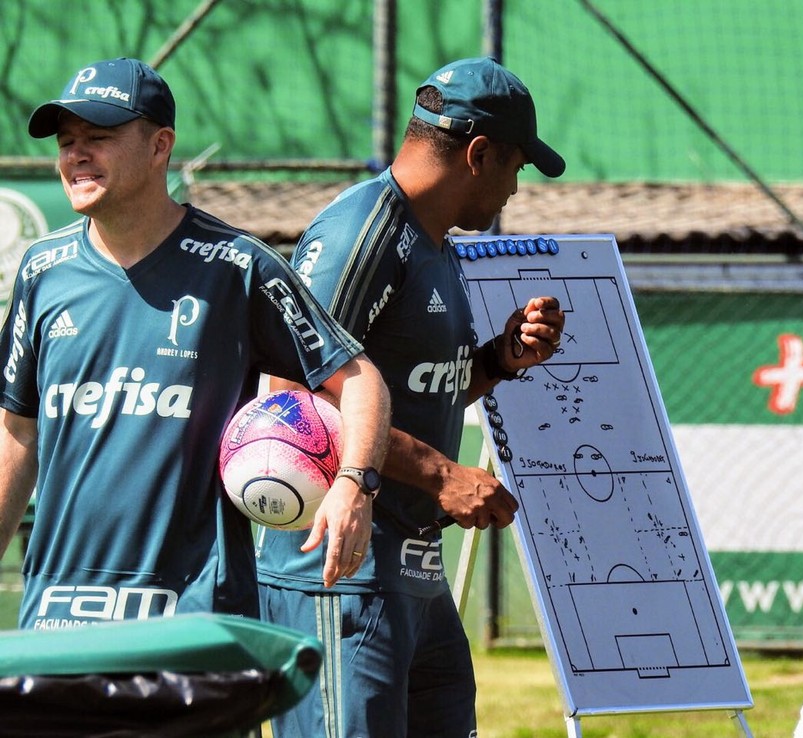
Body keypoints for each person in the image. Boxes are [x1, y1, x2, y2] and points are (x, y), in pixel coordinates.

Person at [0, 57, 391, 632]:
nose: (76, 155)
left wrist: (355, 484)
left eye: (98, 137)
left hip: (194, 617)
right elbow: (17, 433)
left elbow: (359, 380)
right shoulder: (42, 269)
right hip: (56, 616)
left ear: (160, 146)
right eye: (66, 142)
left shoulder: (238, 267)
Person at [256, 56, 566, 737]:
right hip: (340, 574)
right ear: (479, 155)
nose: (516, 188)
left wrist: (500, 360)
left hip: (415, 577)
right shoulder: (360, 235)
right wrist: (442, 475)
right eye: (516, 166)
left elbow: (419, 387)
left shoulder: (435, 243)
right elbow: (293, 404)